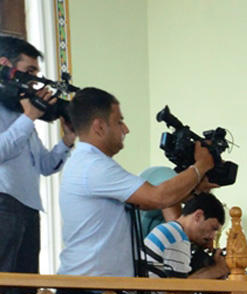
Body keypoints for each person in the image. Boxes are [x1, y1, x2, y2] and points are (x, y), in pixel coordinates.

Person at [58, 87, 214, 277]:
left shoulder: (89, 163)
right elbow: (158, 197)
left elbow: (144, 204)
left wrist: (195, 188)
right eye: (119, 122)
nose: (126, 129)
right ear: (99, 127)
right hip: (91, 287)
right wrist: (200, 166)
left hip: (99, 286)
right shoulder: (93, 166)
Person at [0, 35, 73, 276]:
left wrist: (67, 140)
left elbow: (44, 165)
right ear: (5, 65)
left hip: (29, 208)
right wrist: (29, 117)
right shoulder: (23, 115)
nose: (35, 81)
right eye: (29, 71)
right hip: (4, 203)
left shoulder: (22, 112)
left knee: (26, 289)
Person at [141, 192, 230, 278]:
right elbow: (181, 286)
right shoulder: (177, 239)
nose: (212, 236)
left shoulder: (169, 229)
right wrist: (217, 269)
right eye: (213, 228)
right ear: (198, 216)